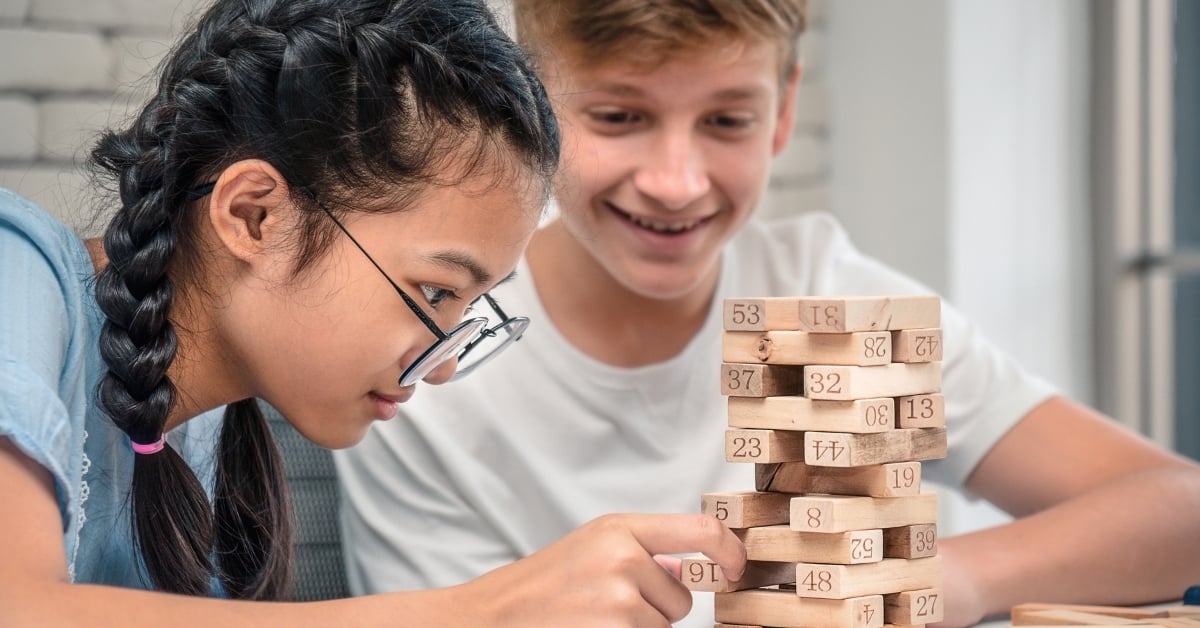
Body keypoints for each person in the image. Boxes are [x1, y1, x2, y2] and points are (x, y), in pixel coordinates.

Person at [332, 1, 1200, 626]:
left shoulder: (832, 293)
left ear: (783, 115)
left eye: (727, 120)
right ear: (534, 113)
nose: (677, 181)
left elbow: (1182, 507)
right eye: (620, 116)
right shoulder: (431, 362)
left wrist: (944, 580)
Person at [0, 0, 748, 625]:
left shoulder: (201, 437)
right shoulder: (18, 274)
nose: (446, 361)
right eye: (433, 294)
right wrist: (481, 609)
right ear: (255, 215)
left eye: (470, 308)